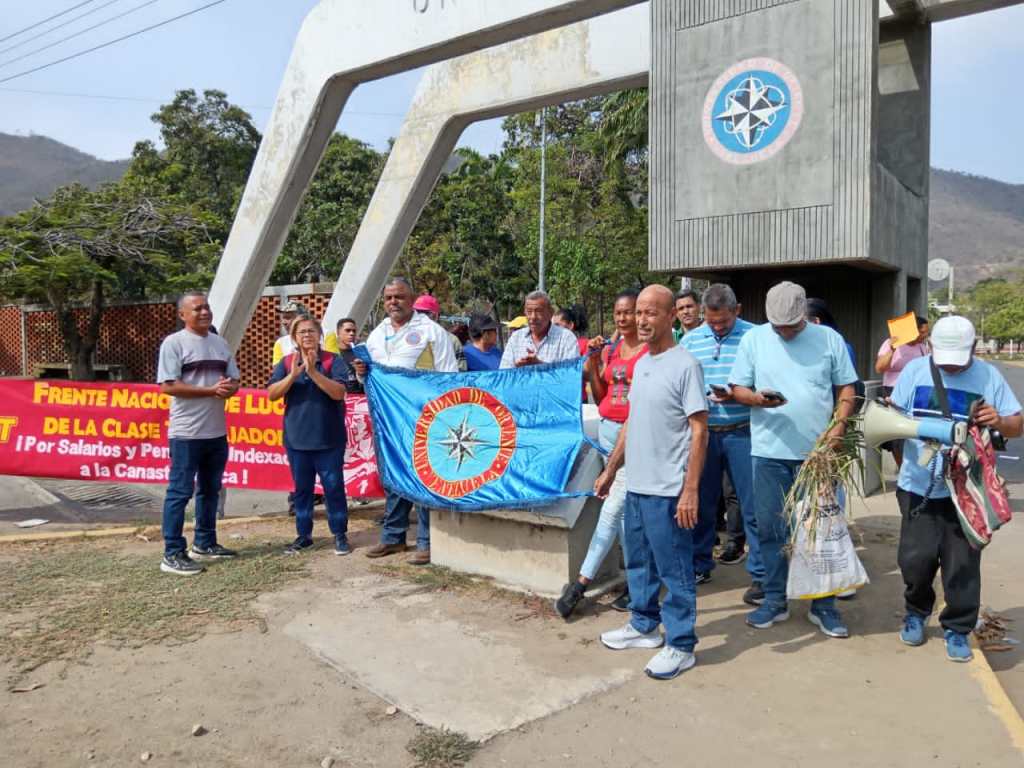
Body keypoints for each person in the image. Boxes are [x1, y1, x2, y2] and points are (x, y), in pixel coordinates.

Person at [728, 281, 858, 638]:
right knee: (770, 529)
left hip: (816, 455)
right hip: (768, 452)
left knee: (820, 531)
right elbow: (738, 387)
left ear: (804, 315)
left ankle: (824, 605)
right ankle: (774, 599)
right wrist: (757, 400)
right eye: (778, 326)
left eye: (791, 326)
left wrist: (838, 428)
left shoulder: (829, 339)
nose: (785, 332)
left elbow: (847, 387)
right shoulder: (754, 340)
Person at [890, 316, 1022, 662]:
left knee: (961, 563)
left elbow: (1017, 424)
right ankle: (916, 612)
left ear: (973, 348)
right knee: (915, 559)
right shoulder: (914, 371)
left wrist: (1000, 421)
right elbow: (893, 419)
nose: (949, 366)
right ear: (930, 346)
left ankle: (958, 628)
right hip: (918, 485)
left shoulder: (989, 376)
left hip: (966, 491)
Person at [594, 284, 708, 681]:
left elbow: (699, 431)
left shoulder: (685, 365)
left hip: (668, 490)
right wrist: (611, 469)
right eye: (638, 312)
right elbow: (631, 421)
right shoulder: (642, 364)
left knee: (674, 569)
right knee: (639, 563)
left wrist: (690, 489)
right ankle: (643, 626)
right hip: (637, 485)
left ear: (671, 316)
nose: (641, 320)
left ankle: (681, 645)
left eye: (651, 312)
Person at [555, 290, 647, 619]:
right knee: (621, 515)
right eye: (618, 312)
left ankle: (580, 583)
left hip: (632, 437)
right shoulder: (612, 349)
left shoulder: (650, 352)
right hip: (607, 431)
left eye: (629, 312)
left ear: (640, 314)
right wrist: (594, 362)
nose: (623, 318)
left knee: (611, 509)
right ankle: (637, 582)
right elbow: (601, 393)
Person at [354, 277, 457, 565]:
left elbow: (448, 375)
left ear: (412, 300)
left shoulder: (431, 332)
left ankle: (427, 541)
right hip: (388, 419)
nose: (393, 302)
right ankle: (393, 537)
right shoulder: (377, 334)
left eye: (399, 297)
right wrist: (361, 372)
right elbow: (368, 379)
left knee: (423, 476)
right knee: (395, 477)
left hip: (422, 417)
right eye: (388, 298)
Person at [680, 284, 764, 603]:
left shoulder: (755, 337)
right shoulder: (690, 340)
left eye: (724, 322)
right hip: (703, 433)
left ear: (737, 310)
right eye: (711, 321)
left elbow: (766, 380)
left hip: (744, 431)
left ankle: (761, 574)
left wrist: (740, 393)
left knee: (753, 504)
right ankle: (699, 563)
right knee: (700, 502)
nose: (717, 327)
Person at [157, 291, 241, 575]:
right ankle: (172, 553)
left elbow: (234, 380)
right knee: (180, 493)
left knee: (210, 490)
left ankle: (205, 543)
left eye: (206, 307)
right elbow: (168, 386)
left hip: (215, 432)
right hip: (186, 434)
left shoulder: (220, 343)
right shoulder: (174, 343)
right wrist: (210, 391)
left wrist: (229, 389)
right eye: (197, 309)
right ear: (182, 314)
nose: (204, 312)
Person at [268, 316, 352, 555]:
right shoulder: (286, 362)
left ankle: (339, 534)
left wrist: (314, 372)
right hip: (297, 439)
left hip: (329, 439)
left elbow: (339, 393)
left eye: (311, 331)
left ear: (319, 335)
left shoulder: (333, 361)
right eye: (302, 332)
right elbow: (272, 394)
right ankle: (304, 535)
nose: (307, 335)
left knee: (333, 488)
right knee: (302, 491)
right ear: (294, 337)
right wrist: (292, 376)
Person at [876, 315, 930, 467]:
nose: (925, 336)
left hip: (916, 394)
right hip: (893, 393)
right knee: (897, 436)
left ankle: (915, 467)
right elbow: (879, 368)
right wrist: (892, 349)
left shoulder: (922, 348)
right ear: (912, 330)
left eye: (926, 332)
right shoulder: (890, 343)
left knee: (914, 433)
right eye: (922, 332)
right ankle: (902, 469)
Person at [500, 291, 580, 368]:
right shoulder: (516, 338)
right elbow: (504, 373)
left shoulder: (566, 338)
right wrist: (518, 370)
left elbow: (571, 372)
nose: (533, 317)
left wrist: (540, 367)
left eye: (539, 311)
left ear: (550, 313)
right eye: (529, 312)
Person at [413, 294, 466, 371]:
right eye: (416, 312)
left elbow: (461, 372)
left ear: (436, 316)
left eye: (425, 313)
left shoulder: (452, 341)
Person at [333, 317, 364, 394]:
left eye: (354, 331)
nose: (351, 333)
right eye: (347, 330)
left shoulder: (360, 354)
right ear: (338, 332)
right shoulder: (332, 354)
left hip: (360, 397)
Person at [272, 301, 308, 365]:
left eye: (288, 318)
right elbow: (277, 369)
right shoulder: (281, 343)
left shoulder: (320, 339)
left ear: (302, 319)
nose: (284, 322)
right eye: (283, 318)